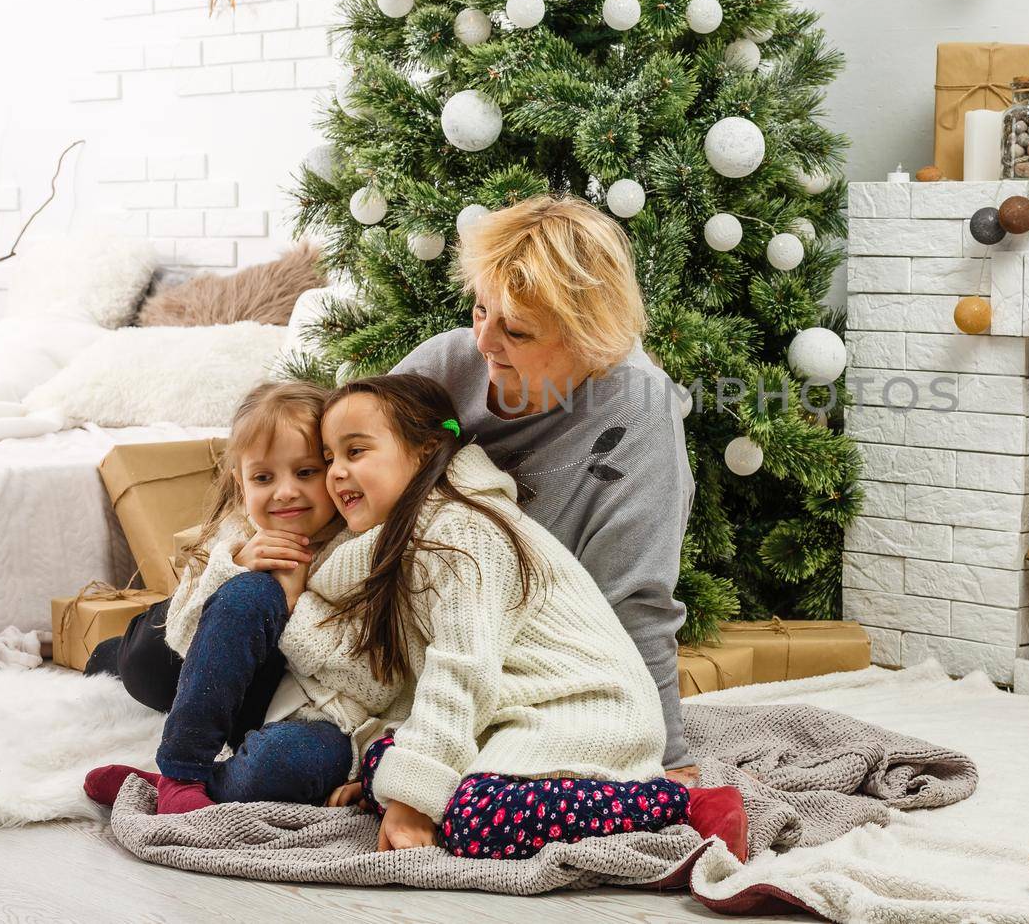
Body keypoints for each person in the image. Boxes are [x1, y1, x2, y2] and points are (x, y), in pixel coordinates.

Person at [268, 374, 741, 858]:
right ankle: (418, 779)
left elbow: (461, 667)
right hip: (509, 712)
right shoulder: (396, 540)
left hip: (584, 711)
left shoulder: (463, 533)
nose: (337, 473)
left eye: (356, 451)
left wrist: (409, 798)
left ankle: (679, 803)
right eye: (329, 459)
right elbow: (400, 676)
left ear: (425, 449)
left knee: (477, 820)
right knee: (382, 757)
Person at [391, 194, 697, 781]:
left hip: (528, 666)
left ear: (587, 335)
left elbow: (635, 600)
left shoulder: (641, 414)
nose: (484, 342)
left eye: (518, 331)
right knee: (159, 659)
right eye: (481, 310)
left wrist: (669, 758)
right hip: (403, 629)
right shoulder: (446, 365)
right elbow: (340, 467)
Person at [83, 382, 358, 812]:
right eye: (263, 478)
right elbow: (186, 630)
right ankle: (182, 770)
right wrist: (236, 566)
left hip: (289, 710)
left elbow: (353, 674)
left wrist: (293, 599)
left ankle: (171, 787)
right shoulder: (238, 533)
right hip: (183, 658)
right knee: (141, 657)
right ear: (240, 481)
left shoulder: (353, 545)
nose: (284, 492)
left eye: (306, 472)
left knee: (288, 762)